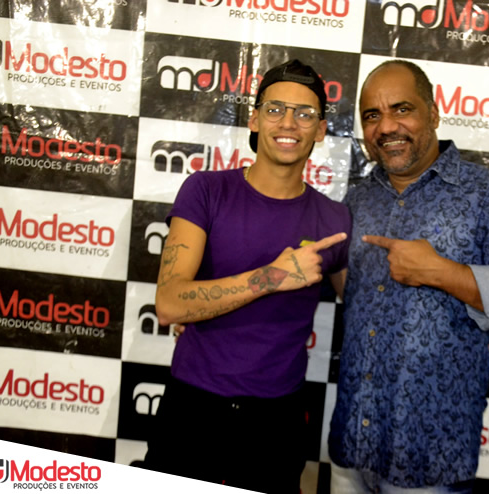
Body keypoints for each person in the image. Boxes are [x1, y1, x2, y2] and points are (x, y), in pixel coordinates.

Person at [328, 60, 489, 493]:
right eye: (372, 115)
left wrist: (443, 273)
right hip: (352, 443)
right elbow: (357, 298)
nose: (387, 126)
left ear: (434, 114)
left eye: (402, 109)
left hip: (428, 458)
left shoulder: (486, 194)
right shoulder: (357, 199)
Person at [143, 59, 350, 494]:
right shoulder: (206, 190)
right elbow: (169, 304)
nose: (288, 123)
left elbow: (369, 309)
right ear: (254, 119)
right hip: (192, 408)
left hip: (276, 422)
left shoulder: (334, 219)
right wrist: (271, 277)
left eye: (304, 114)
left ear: (320, 130)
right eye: (275, 109)